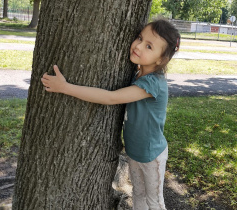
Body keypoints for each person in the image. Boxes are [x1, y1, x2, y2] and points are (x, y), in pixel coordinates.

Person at [41, 19, 180, 210]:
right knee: (138, 195)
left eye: (148, 46)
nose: (138, 46)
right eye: (140, 38)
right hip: (135, 152)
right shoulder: (139, 73)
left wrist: (65, 87)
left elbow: (110, 98)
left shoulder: (153, 83)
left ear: (161, 60)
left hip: (152, 155)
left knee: (155, 201)